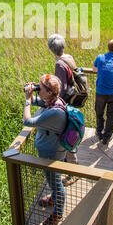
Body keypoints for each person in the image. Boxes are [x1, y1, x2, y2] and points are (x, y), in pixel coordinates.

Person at [23, 74, 67, 225]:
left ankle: (58, 212)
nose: (37, 90)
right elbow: (36, 101)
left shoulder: (55, 111)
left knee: (55, 182)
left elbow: (28, 121)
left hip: (52, 152)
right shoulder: (53, 101)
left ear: (49, 92)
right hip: (50, 149)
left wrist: (27, 102)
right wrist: (29, 94)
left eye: (39, 88)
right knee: (52, 179)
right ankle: (55, 198)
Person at [48, 34, 79, 186]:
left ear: (51, 49)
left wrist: (55, 103)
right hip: (73, 102)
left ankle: (73, 171)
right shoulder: (69, 57)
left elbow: (62, 88)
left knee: (67, 135)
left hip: (65, 104)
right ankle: (70, 164)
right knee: (70, 132)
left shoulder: (59, 64)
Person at [93, 39, 113, 145]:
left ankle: (99, 131)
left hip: (101, 91)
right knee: (112, 115)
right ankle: (107, 136)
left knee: (99, 112)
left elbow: (94, 70)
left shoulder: (100, 57)